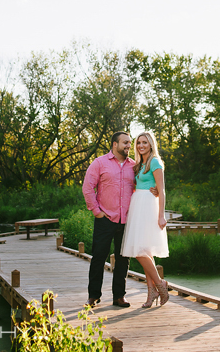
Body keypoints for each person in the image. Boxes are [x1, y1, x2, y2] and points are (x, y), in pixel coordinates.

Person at [82, 131, 136, 308]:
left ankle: (119, 296)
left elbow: (141, 187)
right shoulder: (99, 163)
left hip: (126, 220)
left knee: (123, 259)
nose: (129, 145)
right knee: (98, 257)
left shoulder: (134, 166)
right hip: (105, 218)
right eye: (125, 142)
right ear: (115, 144)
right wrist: (96, 211)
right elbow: (88, 187)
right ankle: (93, 296)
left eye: (129, 143)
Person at [120, 130, 170, 307]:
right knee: (145, 251)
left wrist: (161, 215)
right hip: (138, 204)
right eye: (139, 142)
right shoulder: (140, 163)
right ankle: (152, 294)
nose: (141, 145)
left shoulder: (155, 162)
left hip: (148, 206)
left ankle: (160, 285)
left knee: (140, 251)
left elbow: (161, 189)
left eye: (145, 142)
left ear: (151, 144)